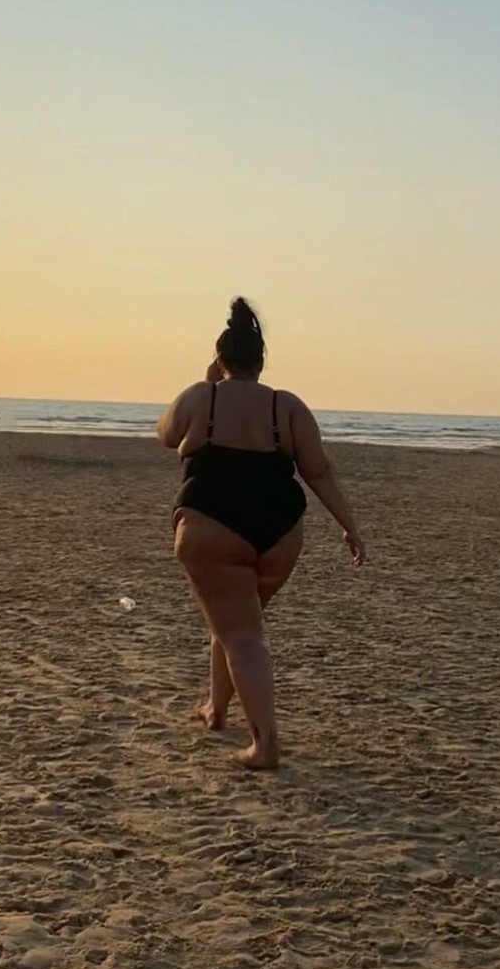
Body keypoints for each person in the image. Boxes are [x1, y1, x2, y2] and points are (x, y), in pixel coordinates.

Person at [156, 297, 366, 769]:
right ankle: (216, 709)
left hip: (212, 524)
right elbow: (318, 471)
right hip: (279, 532)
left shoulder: (202, 395)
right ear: (261, 360)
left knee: (241, 633)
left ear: (221, 358)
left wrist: (208, 383)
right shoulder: (285, 406)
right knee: (235, 622)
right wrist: (349, 527)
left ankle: (264, 744)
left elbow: (166, 434)